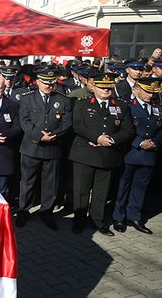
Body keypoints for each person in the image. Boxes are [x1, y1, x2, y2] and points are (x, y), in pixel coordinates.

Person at [69, 72, 135, 236]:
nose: (106, 90)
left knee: (101, 191)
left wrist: (111, 139)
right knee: (81, 191)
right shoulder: (82, 104)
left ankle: (97, 221)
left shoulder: (121, 105)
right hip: (85, 153)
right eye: (102, 87)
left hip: (107, 154)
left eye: (109, 87)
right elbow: (78, 126)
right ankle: (79, 221)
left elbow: (129, 130)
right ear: (93, 87)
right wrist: (97, 138)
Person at [16, 69, 73, 230]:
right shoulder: (27, 99)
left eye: (51, 83)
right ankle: (23, 211)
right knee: (27, 182)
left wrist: (54, 135)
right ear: (38, 82)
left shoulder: (63, 100)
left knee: (50, 183)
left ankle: (46, 212)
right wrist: (39, 136)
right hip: (32, 147)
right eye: (45, 82)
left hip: (53, 147)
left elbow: (67, 123)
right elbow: (24, 121)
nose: (49, 85)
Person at [113, 78, 162, 235]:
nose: (150, 95)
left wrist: (155, 142)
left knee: (140, 188)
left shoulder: (158, 107)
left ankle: (134, 216)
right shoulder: (127, 106)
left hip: (149, 155)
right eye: (147, 91)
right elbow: (123, 129)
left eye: (153, 92)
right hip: (130, 152)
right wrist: (140, 143)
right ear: (136, 90)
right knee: (123, 186)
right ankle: (118, 217)